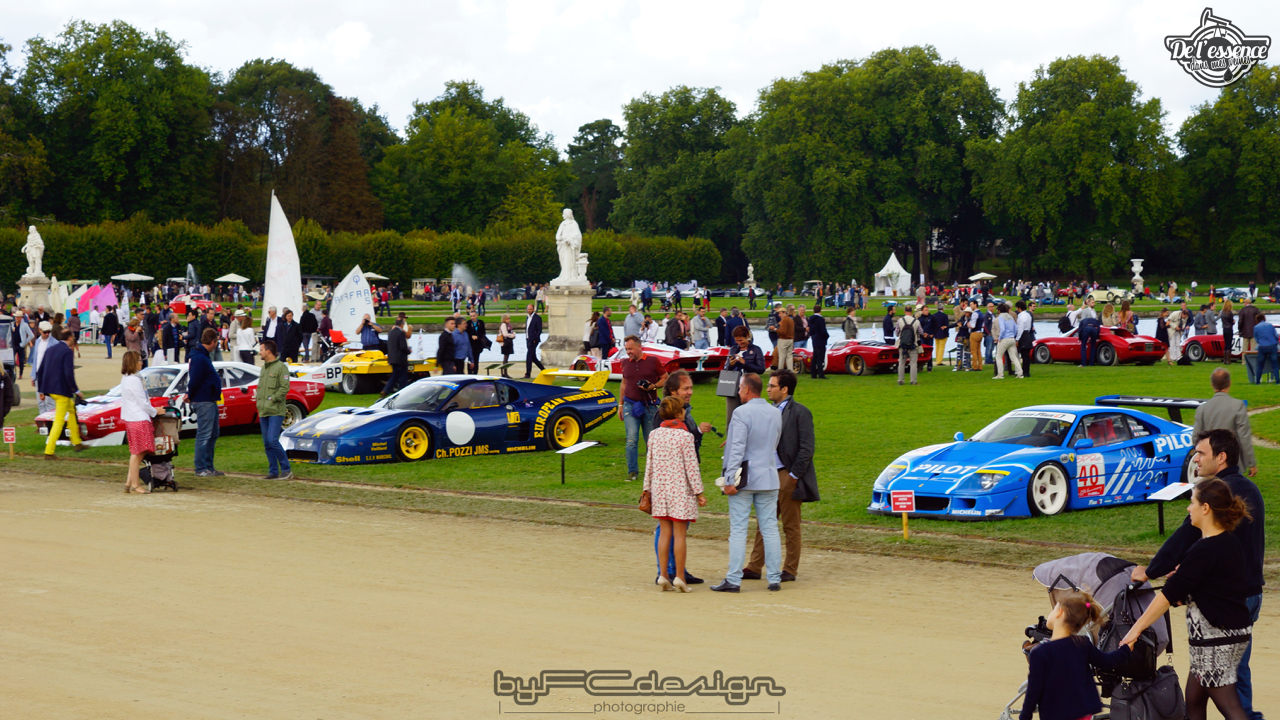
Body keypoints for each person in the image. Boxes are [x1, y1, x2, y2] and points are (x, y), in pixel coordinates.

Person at [1132, 429, 1265, 718]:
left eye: (1201, 453)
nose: (1196, 458)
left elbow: (1184, 538)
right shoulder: (1249, 488)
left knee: (1228, 687)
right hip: (1251, 592)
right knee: (1225, 678)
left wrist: (1150, 571)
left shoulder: (1215, 494)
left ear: (1221, 457)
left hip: (1227, 602)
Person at [742, 369, 817, 584]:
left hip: (786, 475)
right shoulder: (769, 411)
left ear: (784, 389)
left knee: (790, 526)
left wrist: (793, 475)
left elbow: (807, 448)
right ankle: (755, 566)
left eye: (772, 386)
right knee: (764, 522)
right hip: (767, 474)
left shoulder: (800, 412)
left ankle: (790, 569)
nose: (767, 389)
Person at [712, 373, 784, 593]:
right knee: (770, 528)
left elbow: (736, 447)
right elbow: (775, 442)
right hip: (769, 475)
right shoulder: (775, 412)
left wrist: (730, 479)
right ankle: (774, 577)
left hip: (744, 478)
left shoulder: (741, 412)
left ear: (746, 389)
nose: (738, 391)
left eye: (740, 388)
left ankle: (734, 579)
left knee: (739, 530)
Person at [1019, 591, 1133, 720]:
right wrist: (1126, 649)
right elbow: (1107, 661)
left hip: (1056, 713)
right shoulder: (1082, 644)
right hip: (1082, 711)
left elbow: (1034, 690)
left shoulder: (1040, 652)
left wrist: (1025, 716)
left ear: (1060, 612)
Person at [645, 396, 708, 593]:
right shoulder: (685, 437)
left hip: (660, 490)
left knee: (664, 533)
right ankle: (680, 576)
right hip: (680, 491)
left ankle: (663, 575)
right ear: (679, 413)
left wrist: (647, 488)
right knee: (679, 535)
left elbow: (649, 464)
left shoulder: (654, 435)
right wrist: (699, 492)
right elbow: (692, 468)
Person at [618, 336, 667, 483]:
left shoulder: (653, 361)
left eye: (631, 349)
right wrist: (620, 404)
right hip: (630, 404)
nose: (628, 352)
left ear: (639, 347)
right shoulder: (625, 362)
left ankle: (653, 472)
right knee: (631, 439)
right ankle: (632, 472)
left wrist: (653, 386)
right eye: (626, 349)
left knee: (651, 440)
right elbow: (624, 383)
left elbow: (665, 377)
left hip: (649, 405)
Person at [1192, 369, 1258, 476]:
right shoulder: (1237, 406)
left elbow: (1196, 437)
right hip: (1232, 462)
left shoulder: (1202, 409)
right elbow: (1244, 437)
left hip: (1210, 462)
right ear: (1229, 383)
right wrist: (1251, 463)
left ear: (1212, 384)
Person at [38, 328, 87, 458]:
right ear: (70, 337)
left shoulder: (50, 349)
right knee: (59, 421)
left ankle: (77, 442)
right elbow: (68, 373)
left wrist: (41, 390)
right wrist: (76, 390)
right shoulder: (67, 351)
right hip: (61, 391)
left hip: (50, 389)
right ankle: (49, 452)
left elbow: (41, 370)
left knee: (72, 410)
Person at [119, 350, 157, 494]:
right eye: (140, 360)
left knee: (138, 451)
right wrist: (155, 412)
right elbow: (143, 402)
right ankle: (135, 484)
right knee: (138, 452)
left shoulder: (126, 378)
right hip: (138, 418)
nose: (142, 362)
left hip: (132, 418)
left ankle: (129, 483)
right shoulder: (134, 380)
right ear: (133, 363)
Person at [188, 327, 224, 478]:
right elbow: (194, 380)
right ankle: (201, 468)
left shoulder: (202, 356)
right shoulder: (200, 358)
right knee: (204, 435)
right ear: (213, 341)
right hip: (203, 401)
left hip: (209, 399)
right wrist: (190, 395)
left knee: (213, 434)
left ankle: (209, 466)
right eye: (217, 342)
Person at [255, 340, 292, 479]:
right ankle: (273, 471)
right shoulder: (264, 368)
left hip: (275, 410)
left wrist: (273, 399)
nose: (260, 352)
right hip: (263, 410)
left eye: (261, 350)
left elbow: (285, 387)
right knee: (267, 443)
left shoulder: (281, 367)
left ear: (268, 351)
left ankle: (286, 469)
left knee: (272, 440)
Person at [724, 325, 766, 424]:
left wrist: (745, 363)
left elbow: (761, 369)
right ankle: (730, 434)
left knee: (750, 416)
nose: (739, 343)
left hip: (750, 387)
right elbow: (726, 369)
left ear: (747, 336)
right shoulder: (733, 349)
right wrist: (730, 365)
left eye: (741, 340)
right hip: (734, 386)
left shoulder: (756, 350)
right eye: (737, 341)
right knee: (731, 417)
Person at [992, 303, 1023, 380]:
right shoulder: (1010, 317)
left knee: (998, 356)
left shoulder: (1000, 317)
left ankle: (1000, 374)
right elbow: (1016, 328)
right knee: (1014, 357)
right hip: (1012, 338)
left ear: (999, 311)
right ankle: (1020, 373)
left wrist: (1000, 338)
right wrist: (1013, 335)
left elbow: (1002, 329)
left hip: (1004, 339)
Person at [382, 318, 411, 397]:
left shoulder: (390, 332)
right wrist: (408, 351)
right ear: (401, 324)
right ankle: (401, 393)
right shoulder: (401, 333)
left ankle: (386, 390)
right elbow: (403, 347)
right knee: (403, 377)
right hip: (400, 359)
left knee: (394, 375)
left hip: (392, 358)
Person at [895, 305, 923, 386]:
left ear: (904, 311)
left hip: (902, 345)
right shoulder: (916, 321)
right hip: (913, 345)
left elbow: (896, 333)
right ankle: (913, 381)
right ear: (911, 312)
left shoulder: (900, 320)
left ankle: (900, 380)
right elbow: (921, 332)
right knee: (913, 363)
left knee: (901, 363)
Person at [1253, 313, 1277, 385]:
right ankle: (1277, 381)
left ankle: (1257, 381)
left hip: (1262, 347)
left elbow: (1256, 339)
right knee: (1275, 365)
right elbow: (1276, 336)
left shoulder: (1256, 327)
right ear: (1264, 318)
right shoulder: (1270, 325)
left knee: (1260, 365)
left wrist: (1261, 342)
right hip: (1272, 346)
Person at [1078, 297, 1101, 366]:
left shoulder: (1094, 311)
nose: (1094, 304)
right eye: (1092, 302)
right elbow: (1083, 320)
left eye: (1094, 302)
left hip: (1092, 328)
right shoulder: (1085, 311)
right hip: (1088, 328)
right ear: (1088, 303)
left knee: (1092, 345)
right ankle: (1085, 362)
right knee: (1085, 344)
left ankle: (1089, 363)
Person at [523, 303, 544, 378]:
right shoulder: (527, 317)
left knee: (529, 356)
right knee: (533, 357)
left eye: (530, 309)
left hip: (534, 340)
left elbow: (539, 330)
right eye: (528, 309)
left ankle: (527, 373)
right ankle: (543, 370)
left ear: (533, 309)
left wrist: (535, 338)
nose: (529, 310)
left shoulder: (537, 318)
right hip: (528, 339)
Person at [808, 305, 828, 379]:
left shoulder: (810, 319)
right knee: (820, 358)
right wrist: (826, 336)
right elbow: (823, 330)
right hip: (821, 339)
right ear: (820, 310)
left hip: (814, 339)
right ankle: (820, 373)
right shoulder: (820, 319)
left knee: (815, 357)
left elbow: (810, 330)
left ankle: (813, 374)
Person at [776, 306, 795, 371]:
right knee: (789, 356)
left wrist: (775, 329)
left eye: (780, 313)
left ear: (784, 313)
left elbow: (783, 332)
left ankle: (780, 371)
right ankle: (790, 371)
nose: (779, 315)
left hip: (783, 340)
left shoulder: (784, 319)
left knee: (782, 357)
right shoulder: (791, 320)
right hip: (790, 339)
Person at [1221, 299, 1235, 364]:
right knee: (1229, 344)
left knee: (1226, 344)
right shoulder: (1230, 313)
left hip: (1224, 329)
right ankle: (1228, 360)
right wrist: (1233, 322)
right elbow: (1231, 321)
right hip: (1229, 328)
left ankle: (1225, 360)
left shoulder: (1222, 312)